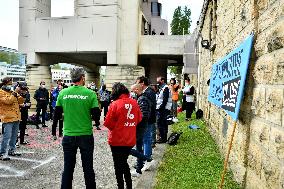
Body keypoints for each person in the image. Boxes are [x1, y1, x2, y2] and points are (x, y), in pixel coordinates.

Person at [53, 67, 100, 189]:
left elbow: (56, 115)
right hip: (85, 135)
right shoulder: (90, 93)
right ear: (83, 78)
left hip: (68, 135)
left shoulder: (63, 93)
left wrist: (56, 129)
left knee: (68, 168)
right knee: (88, 168)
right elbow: (96, 116)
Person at [104, 82, 142, 189]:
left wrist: (119, 126)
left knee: (118, 165)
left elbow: (108, 123)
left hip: (116, 140)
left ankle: (121, 186)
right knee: (124, 162)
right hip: (129, 139)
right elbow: (139, 119)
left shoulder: (115, 104)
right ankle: (129, 186)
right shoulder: (134, 102)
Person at [0, 77, 25, 160]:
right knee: (6, 136)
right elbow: (8, 101)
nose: (11, 85)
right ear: (5, 83)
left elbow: (21, 101)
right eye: (10, 83)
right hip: (7, 117)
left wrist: (22, 93)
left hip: (16, 117)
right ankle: (2, 153)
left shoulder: (11, 92)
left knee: (14, 136)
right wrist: (15, 92)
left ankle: (12, 150)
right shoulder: (1, 92)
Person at [136, 76, 157, 153]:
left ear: (142, 83)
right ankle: (146, 155)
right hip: (147, 118)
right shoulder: (147, 91)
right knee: (145, 138)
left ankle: (147, 156)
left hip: (148, 119)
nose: (136, 84)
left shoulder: (148, 92)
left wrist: (139, 94)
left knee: (146, 138)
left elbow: (147, 106)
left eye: (137, 83)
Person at [156, 76, 172, 143]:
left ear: (162, 80)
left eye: (158, 81)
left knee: (161, 123)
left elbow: (165, 100)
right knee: (163, 123)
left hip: (164, 109)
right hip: (163, 108)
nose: (157, 82)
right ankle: (163, 138)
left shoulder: (165, 88)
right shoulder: (162, 88)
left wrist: (160, 107)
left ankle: (163, 138)